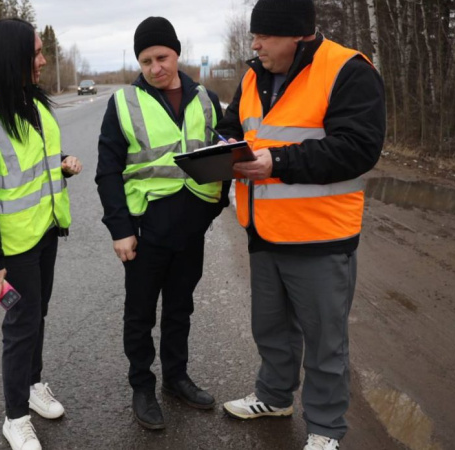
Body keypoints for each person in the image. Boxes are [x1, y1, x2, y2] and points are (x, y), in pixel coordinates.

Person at [215, 0, 386, 449]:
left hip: (320, 235)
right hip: (264, 230)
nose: (255, 45)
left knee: (325, 340)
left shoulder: (348, 70)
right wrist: (222, 147)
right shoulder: (253, 75)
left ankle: (325, 428)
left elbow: (358, 148)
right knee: (270, 328)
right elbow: (233, 127)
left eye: (264, 36)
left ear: (298, 35)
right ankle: (274, 397)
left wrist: (277, 162)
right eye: (254, 36)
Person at [95, 16, 230, 430]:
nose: (156, 68)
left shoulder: (206, 99)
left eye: (163, 57)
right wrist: (120, 230)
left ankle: (176, 378)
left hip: (191, 230)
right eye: (147, 60)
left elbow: (224, 155)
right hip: (145, 233)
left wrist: (214, 207)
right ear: (139, 62)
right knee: (139, 315)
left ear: (177, 54)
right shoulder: (124, 103)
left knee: (180, 308)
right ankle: (142, 386)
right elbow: (107, 172)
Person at [0, 18, 82, 450]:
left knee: (36, 315)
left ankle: (32, 384)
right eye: (37, 53)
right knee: (20, 325)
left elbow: (36, 160)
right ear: (14, 57)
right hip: (13, 247)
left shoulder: (33, 102)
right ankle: (15, 418)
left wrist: (62, 163)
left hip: (44, 230)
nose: (44, 60)